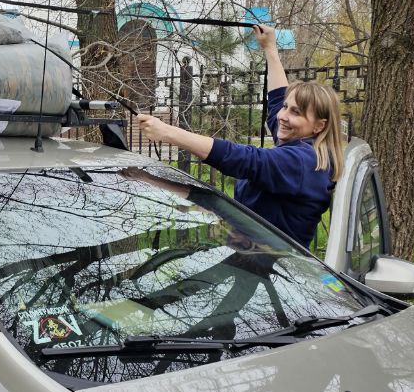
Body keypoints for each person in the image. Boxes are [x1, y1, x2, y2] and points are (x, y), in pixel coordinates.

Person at [136, 23, 344, 248]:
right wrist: (270, 50)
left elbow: (244, 159)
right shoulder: (298, 141)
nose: (282, 116)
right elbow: (276, 102)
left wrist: (168, 132)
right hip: (251, 255)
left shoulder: (303, 162)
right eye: (286, 106)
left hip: (276, 267)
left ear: (318, 126)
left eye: (295, 112)